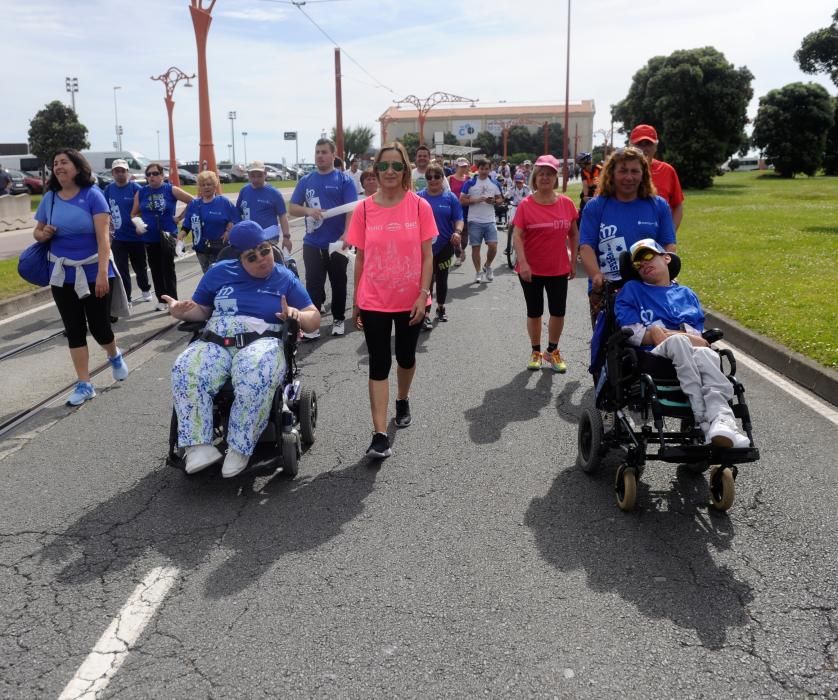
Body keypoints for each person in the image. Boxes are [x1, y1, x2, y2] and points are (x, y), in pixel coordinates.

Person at [166, 220, 320, 477]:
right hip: (216, 338)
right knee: (186, 369)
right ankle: (198, 446)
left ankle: (240, 447)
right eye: (252, 256)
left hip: (262, 341)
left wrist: (296, 314)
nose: (262, 259)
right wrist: (180, 311)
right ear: (239, 258)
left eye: (265, 250)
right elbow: (202, 310)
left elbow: (313, 316)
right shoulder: (218, 272)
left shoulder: (284, 277)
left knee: (254, 371)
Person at [346, 142, 436, 460]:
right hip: (374, 300)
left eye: (396, 166)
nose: (389, 172)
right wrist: (357, 301)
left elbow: (428, 257)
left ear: (405, 170)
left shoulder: (419, 207)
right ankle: (380, 434)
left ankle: (403, 398)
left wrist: (423, 295)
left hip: (411, 299)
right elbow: (360, 259)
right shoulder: (364, 209)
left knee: (406, 357)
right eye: (383, 166)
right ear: (375, 170)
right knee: (379, 362)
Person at [614, 239, 749, 448]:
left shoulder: (686, 294)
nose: (643, 264)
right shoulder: (631, 290)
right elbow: (635, 333)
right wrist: (670, 335)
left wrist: (662, 331)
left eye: (648, 256)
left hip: (689, 355)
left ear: (666, 257)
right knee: (679, 341)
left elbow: (699, 340)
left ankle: (723, 422)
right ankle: (703, 421)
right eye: (637, 263)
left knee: (708, 354)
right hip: (652, 358)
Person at [32, 148, 130, 406]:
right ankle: (85, 384)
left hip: (94, 271)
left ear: (77, 167)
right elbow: (37, 232)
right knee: (74, 330)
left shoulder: (93, 196)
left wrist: (100, 273)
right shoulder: (50, 198)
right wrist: (45, 234)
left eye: (64, 162)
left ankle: (114, 354)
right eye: (55, 163)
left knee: (100, 328)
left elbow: (103, 239)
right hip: (61, 275)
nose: (59, 166)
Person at [579, 146, 676, 327]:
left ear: (643, 174)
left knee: (654, 344)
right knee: (607, 346)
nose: (629, 177)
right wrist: (596, 275)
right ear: (611, 173)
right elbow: (586, 247)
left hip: (650, 286)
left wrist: (665, 272)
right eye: (623, 171)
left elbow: (668, 244)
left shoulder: (658, 205)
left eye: (634, 171)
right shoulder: (595, 206)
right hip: (608, 289)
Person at [511, 155, 579, 372]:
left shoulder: (566, 204)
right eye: (541, 173)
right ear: (535, 177)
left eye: (550, 173)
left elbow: (574, 234)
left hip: (558, 268)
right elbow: (517, 235)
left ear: (555, 177)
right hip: (531, 269)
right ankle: (536, 352)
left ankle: (552, 351)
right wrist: (523, 263)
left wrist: (572, 260)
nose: (545, 177)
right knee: (535, 312)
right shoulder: (525, 205)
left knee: (558, 311)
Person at [289, 138, 358, 338]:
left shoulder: (344, 180)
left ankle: (337, 319)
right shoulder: (306, 180)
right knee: (313, 284)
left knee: (338, 282)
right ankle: (313, 323)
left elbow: (351, 210)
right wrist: (307, 210)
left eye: (324, 152)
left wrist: (347, 234)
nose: (320, 155)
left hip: (337, 242)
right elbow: (292, 208)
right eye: (317, 152)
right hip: (312, 242)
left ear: (333, 155)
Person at [131, 162, 193, 311]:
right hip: (149, 237)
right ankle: (161, 300)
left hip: (166, 236)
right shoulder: (142, 192)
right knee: (155, 270)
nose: (151, 177)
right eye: (149, 174)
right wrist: (138, 225)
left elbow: (193, 201)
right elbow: (134, 213)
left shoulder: (170, 189)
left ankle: (173, 302)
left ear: (162, 176)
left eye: (155, 173)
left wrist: (179, 218)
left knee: (167, 270)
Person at [417, 162, 464, 327]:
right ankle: (426, 313)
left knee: (442, 279)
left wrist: (457, 232)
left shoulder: (450, 198)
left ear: (442, 178)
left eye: (437, 176)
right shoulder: (418, 197)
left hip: (445, 245)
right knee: (427, 280)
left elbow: (459, 218)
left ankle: (441, 307)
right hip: (424, 246)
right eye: (429, 177)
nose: (433, 179)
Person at [103, 159, 152, 306]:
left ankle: (145, 289)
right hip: (118, 238)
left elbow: (145, 209)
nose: (120, 174)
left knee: (140, 267)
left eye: (123, 171)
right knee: (121, 269)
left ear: (127, 172)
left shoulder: (136, 188)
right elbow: (105, 210)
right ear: (112, 173)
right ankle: (127, 297)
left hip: (136, 237)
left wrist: (140, 225)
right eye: (117, 171)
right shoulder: (109, 190)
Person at [180, 170, 239, 273]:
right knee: (207, 275)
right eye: (203, 185)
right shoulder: (194, 204)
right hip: (201, 249)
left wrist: (229, 231)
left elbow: (236, 219)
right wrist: (181, 235)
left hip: (220, 248)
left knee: (219, 275)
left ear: (215, 185)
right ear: (199, 187)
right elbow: (187, 225)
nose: (206, 187)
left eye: (209, 184)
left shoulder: (223, 202)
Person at [629, 124, 685, 230]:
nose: (644, 149)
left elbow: (677, 205)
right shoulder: (621, 173)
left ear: (655, 146)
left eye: (648, 144)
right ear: (631, 146)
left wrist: (670, 234)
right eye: (639, 144)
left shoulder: (667, 170)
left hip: (658, 240)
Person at [460, 157, 503, 284]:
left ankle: (487, 265)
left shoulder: (495, 183)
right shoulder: (470, 183)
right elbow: (461, 200)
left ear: (490, 169)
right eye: (481, 168)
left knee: (493, 246)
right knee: (476, 248)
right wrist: (476, 200)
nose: (484, 171)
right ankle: (478, 272)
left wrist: (494, 201)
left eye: (486, 169)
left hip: (490, 219)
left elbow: (500, 199)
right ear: (477, 169)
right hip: (474, 220)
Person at [236, 161, 292, 252]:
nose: (256, 179)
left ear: (265, 174)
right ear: (248, 175)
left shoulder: (274, 193)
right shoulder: (244, 191)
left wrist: (286, 237)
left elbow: (282, 215)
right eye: (252, 176)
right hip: (249, 236)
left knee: (264, 261)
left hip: (268, 236)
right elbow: (238, 211)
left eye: (259, 176)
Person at [448, 157, 471, 266]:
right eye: (461, 166)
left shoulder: (469, 179)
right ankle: (458, 254)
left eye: (465, 166)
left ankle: (462, 248)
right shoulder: (450, 179)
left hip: (466, 209)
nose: (463, 168)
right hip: (453, 209)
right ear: (456, 167)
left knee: (465, 235)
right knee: (455, 232)